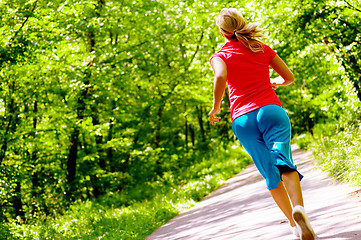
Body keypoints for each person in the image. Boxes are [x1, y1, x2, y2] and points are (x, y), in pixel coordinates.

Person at [208, 8, 315, 240]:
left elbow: (220, 77)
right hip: (270, 111)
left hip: (242, 120)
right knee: (283, 160)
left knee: (269, 172)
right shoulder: (261, 48)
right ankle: (300, 210)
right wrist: (275, 82)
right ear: (241, 24)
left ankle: (293, 225)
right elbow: (289, 78)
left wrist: (216, 107)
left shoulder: (220, 55)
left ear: (222, 31)